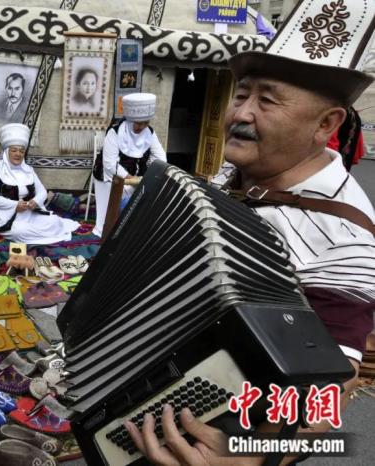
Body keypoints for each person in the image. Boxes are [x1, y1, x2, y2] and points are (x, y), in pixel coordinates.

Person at [124, 1, 375, 463]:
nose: (241, 113)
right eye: (241, 95)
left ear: (326, 124)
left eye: (268, 100)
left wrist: (250, 456)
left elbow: (331, 389)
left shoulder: (345, 237)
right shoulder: (237, 173)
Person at [0, 123, 80, 244]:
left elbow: (42, 191)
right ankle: (40, 236)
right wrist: (14, 205)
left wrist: (36, 201)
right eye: (14, 150)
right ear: (6, 152)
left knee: (55, 222)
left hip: (29, 213)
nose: (18, 154)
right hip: (6, 216)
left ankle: (37, 235)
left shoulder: (29, 170)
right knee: (20, 231)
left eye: (21, 151)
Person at [92, 93, 166, 237]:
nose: (141, 127)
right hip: (109, 176)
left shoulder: (149, 133)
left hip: (135, 178)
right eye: (138, 123)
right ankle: (109, 233)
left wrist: (150, 173)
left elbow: (160, 157)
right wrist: (130, 178)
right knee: (108, 219)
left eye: (145, 123)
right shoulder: (115, 132)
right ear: (130, 119)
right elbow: (109, 164)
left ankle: (128, 230)